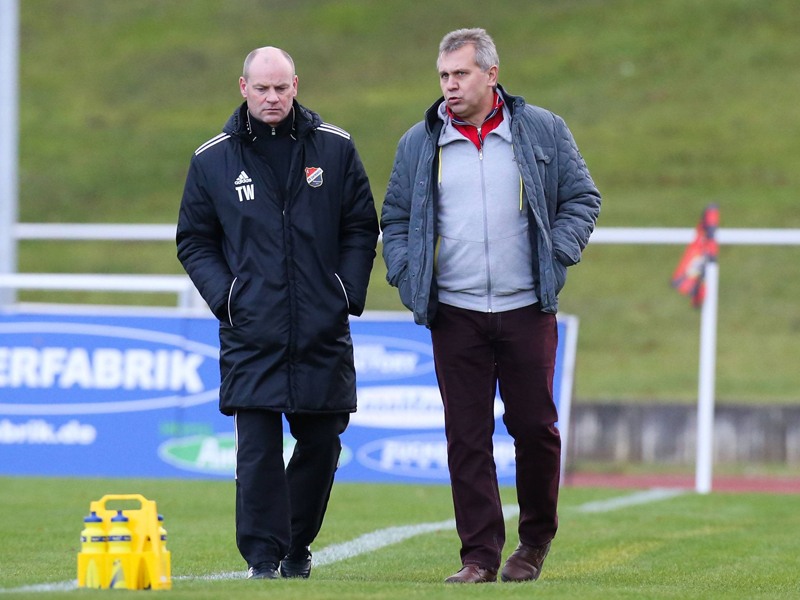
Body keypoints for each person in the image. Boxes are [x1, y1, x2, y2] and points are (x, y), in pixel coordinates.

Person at [380, 28, 601, 584]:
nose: (450, 86)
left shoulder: (543, 129)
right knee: (467, 436)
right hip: (454, 312)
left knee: (535, 429)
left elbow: (582, 197)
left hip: (527, 307)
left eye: (461, 74)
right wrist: (410, 278)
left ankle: (533, 544)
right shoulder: (419, 142)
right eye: (444, 76)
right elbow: (397, 218)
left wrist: (558, 253)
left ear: (491, 74)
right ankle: (478, 557)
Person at [176, 46, 379, 580]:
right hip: (251, 328)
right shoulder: (212, 159)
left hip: (321, 325)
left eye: (281, 87)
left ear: (296, 85)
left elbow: (361, 225)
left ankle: (294, 544)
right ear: (242, 87)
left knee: (322, 442)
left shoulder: (334, 149)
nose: (272, 97)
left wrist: (344, 290)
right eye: (262, 88)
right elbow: (195, 240)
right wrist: (229, 298)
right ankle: (263, 559)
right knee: (258, 450)